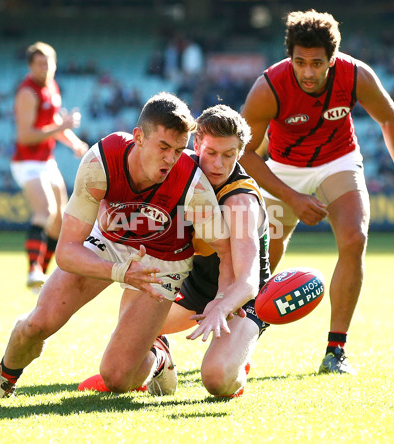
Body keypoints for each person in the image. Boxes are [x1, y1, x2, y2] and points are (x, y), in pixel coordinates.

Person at [0, 92, 236, 401]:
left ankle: (159, 356)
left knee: (118, 378)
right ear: (138, 137)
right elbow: (67, 251)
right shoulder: (102, 162)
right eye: (163, 146)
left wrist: (226, 300)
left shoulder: (193, 184)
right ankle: (2, 379)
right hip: (109, 242)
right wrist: (120, 272)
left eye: (178, 150)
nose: (170, 159)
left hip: (163, 262)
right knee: (37, 323)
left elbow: (225, 250)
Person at [239, 10, 394, 374]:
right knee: (263, 258)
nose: (308, 72)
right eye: (299, 62)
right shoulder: (269, 87)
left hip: (338, 163)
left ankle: (335, 351)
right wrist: (293, 198)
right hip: (283, 171)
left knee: (355, 238)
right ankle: (244, 336)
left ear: (333, 58)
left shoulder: (355, 74)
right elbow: (245, 152)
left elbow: (389, 119)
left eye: (317, 63)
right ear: (289, 57)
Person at [79, 104, 270, 397]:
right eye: (211, 153)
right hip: (190, 287)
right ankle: (159, 358)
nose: (218, 164)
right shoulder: (173, 167)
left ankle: (236, 364)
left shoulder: (240, 201)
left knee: (217, 379)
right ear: (196, 145)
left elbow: (247, 281)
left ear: (240, 154)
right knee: (129, 339)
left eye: (229, 156)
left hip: (240, 300)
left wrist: (221, 305)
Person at [10, 41, 89, 291]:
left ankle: (41, 276)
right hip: (28, 162)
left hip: (46, 161)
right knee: (44, 211)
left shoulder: (52, 87)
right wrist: (62, 128)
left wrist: (73, 142)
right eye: (40, 63)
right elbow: (26, 136)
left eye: (49, 63)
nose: (45, 68)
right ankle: (33, 270)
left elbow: (52, 121)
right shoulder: (27, 92)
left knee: (59, 221)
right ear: (31, 66)